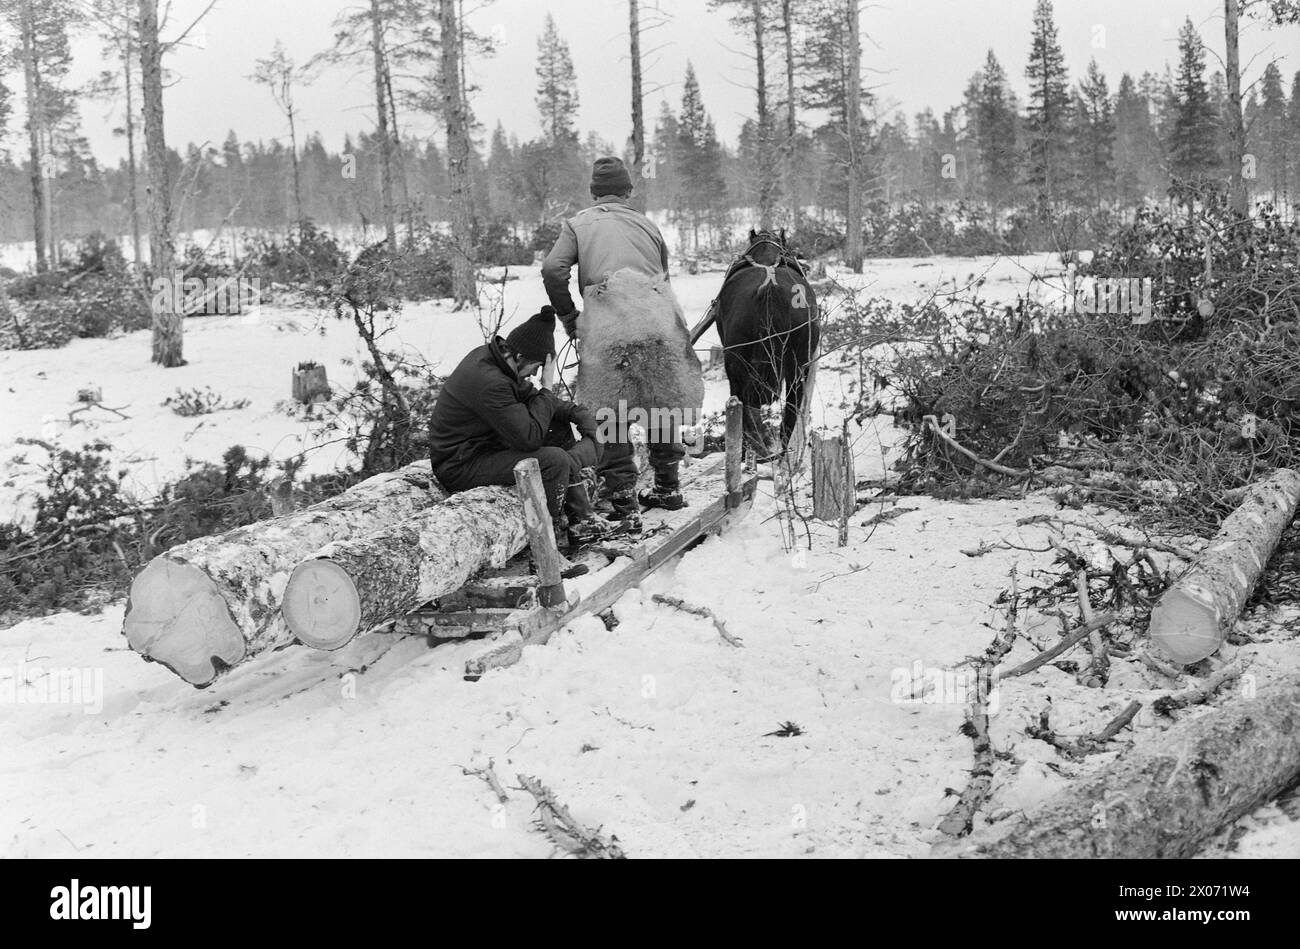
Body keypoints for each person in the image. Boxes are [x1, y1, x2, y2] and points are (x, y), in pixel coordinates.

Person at [541, 156, 685, 531]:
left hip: (607, 327)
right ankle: (668, 488)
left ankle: (625, 505)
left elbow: (552, 269)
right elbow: (664, 277)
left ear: (592, 192)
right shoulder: (649, 225)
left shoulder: (578, 224)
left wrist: (569, 315)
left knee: (609, 410)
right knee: (661, 400)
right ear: (629, 191)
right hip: (657, 321)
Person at [428, 306, 612, 549]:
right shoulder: (491, 383)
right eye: (535, 368)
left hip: (485, 446)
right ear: (519, 358)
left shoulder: (500, 362)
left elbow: (533, 399)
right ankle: (547, 547)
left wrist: (579, 414)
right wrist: (547, 389)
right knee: (553, 460)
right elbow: (529, 438)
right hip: (460, 463)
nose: (535, 375)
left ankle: (581, 519)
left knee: (555, 425)